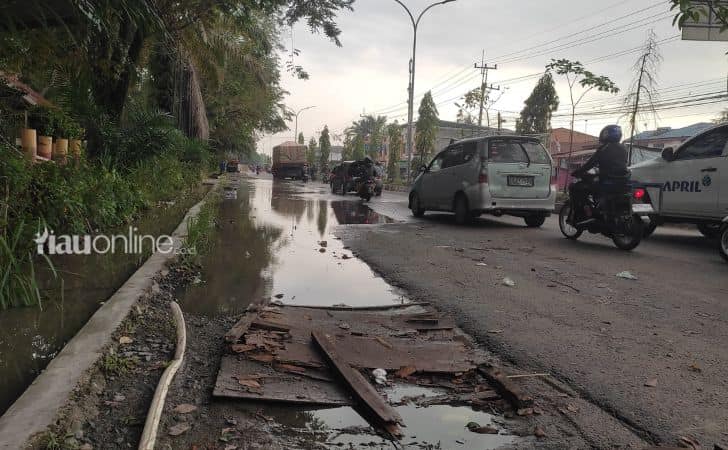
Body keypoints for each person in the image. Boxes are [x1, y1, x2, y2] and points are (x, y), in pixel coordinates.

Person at [570, 125, 629, 218]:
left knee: (578, 188)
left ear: (606, 134)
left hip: (608, 181)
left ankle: (589, 213)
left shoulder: (604, 148)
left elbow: (591, 163)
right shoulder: (623, 148)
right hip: (623, 181)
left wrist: (578, 172)